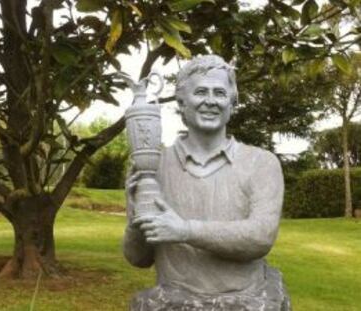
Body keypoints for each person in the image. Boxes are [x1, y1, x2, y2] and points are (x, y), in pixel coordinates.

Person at [123, 55, 291, 311]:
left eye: (220, 93)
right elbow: (138, 258)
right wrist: (137, 221)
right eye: (200, 92)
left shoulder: (261, 163)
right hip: (173, 302)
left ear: (232, 104)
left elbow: (260, 236)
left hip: (246, 301)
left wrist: (185, 230)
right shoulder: (152, 166)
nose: (211, 101)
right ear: (181, 102)